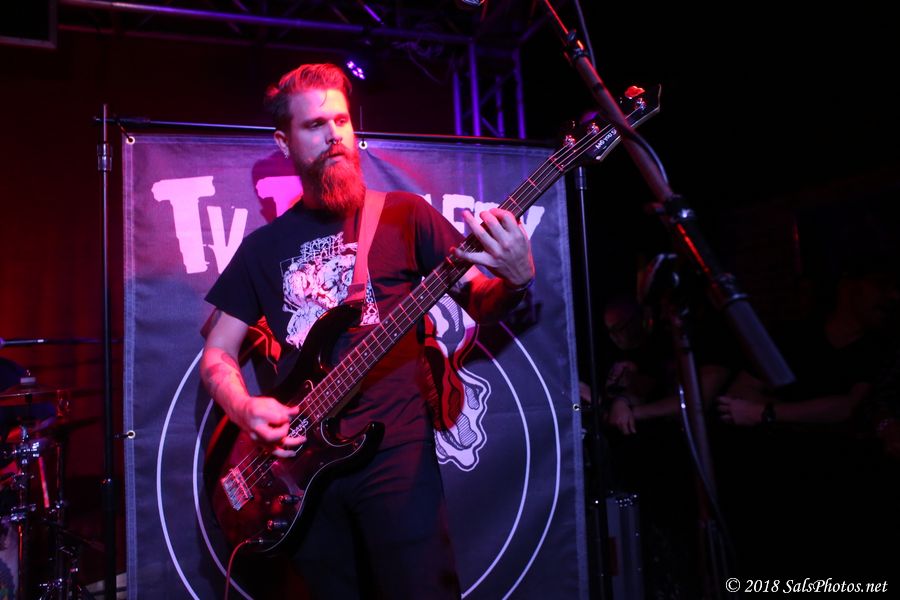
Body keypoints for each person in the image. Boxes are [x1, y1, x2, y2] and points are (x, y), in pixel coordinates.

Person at [199, 63, 535, 599]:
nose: (333, 135)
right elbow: (218, 353)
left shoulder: (405, 215)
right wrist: (244, 409)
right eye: (315, 126)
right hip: (299, 470)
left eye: (341, 121)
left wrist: (515, 280)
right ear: (284, 142)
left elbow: (482, 299)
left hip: (396, 455)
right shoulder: (261, 249)